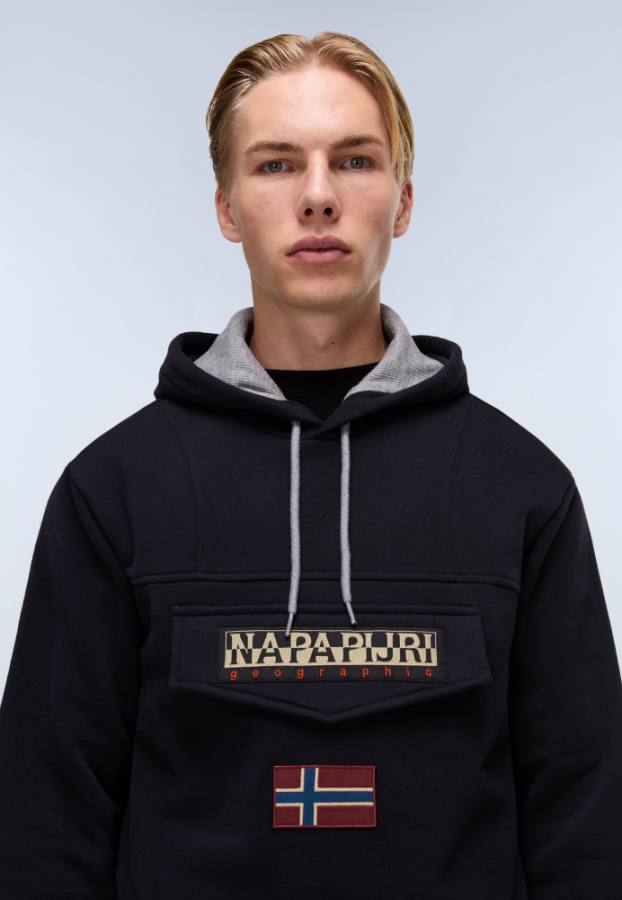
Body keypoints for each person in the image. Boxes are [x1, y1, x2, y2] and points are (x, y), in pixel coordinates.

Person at [0, 30, 620, 900]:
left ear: (403, 201)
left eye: (355, 160)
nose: (319, 196)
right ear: (227, 208)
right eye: (277, 164)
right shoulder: (113, 491)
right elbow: (44, 826)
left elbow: (588, 827)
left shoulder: (522, 488)